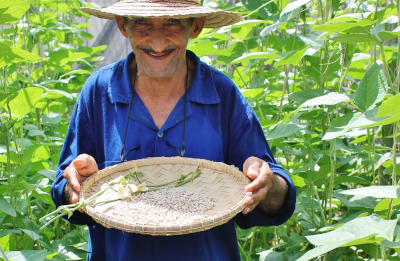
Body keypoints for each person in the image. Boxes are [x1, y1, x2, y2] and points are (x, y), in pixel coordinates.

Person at [51, 0, 296, 260]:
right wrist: (77, 185)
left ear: (196, 26)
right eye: (143, 22)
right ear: (123, 25)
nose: (158, 42)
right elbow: (65, 194)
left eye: (173, 22)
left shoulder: (222, 95)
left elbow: (277, 197)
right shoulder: (99, 93)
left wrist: (266, 183)